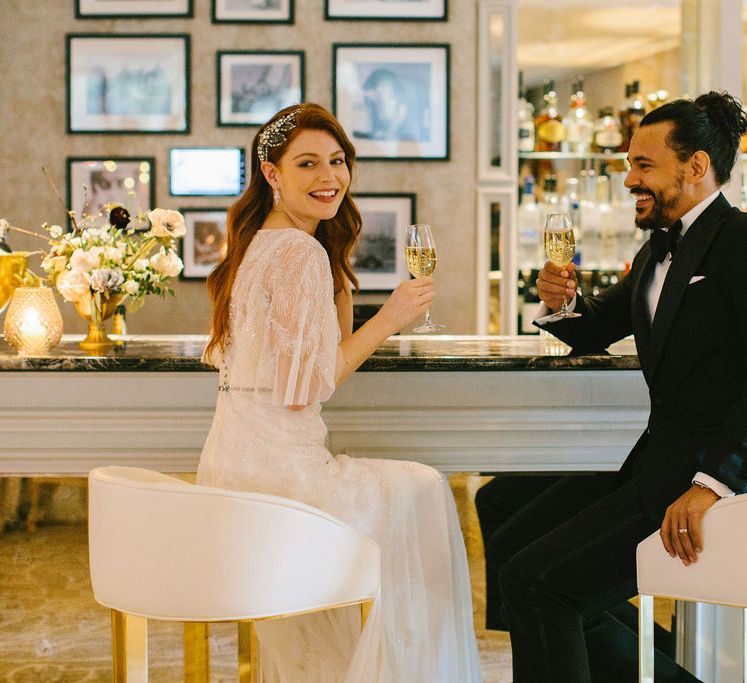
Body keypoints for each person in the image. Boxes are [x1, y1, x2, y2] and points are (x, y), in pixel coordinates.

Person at [197, 103, 481, 683]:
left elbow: (295, 367)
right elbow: (310, 387)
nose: (330, 176)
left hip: (232, 475)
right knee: (424, 491)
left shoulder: (258, 243)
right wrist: (392, 316)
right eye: (308, 163)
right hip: (286, 485)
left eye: (337, 160)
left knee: (413, 493)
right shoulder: (298, 252)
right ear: (272, 174)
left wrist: (341, 296)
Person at [485, 91, 747, 682]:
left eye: (643, 165)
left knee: (537, 584)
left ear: (697, 166)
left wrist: (714, 483)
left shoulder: (740, 245)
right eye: (629, 164)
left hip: (700, 478)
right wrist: (562, 304)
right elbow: (596, 327)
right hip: (652, 464)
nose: (630, 179)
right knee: (506, 528)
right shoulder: (657, 250)